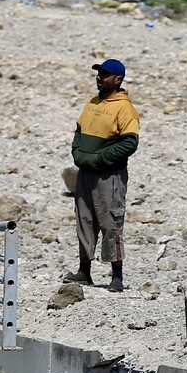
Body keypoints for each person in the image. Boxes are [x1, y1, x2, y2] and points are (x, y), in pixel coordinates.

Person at [68, 57, 140, 290]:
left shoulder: (124, 107)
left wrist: (100, 159)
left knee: (111, 222)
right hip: (85, 173)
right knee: (84, 220)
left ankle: (116, 276)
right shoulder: (92, 103)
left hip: (109, 177)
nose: (99, 78)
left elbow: (129, 143)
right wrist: (77, 151)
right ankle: (84, 271)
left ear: (117, 79)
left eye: (105, 75)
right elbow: (79, 130)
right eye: (98, 74)